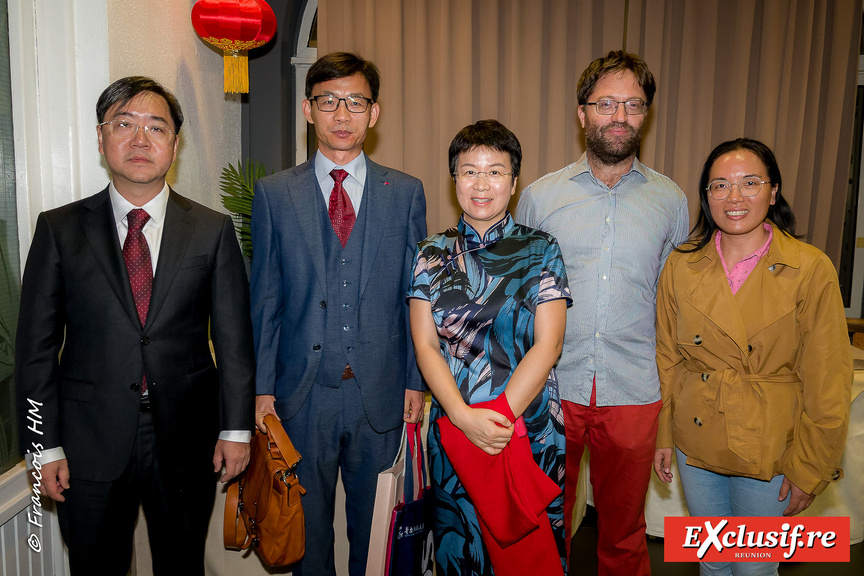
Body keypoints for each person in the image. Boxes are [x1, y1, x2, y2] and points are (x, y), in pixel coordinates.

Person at [15, 76, 255, 575]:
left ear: (175, 144)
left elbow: (234, 341)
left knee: (182, 564)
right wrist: (43, 444)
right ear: (101, 137)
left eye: (156, 127)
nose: (140, 139)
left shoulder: (211, 230)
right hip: (87, 440)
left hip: (186, 436)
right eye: (124, 124)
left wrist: (236, 429)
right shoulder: (59, 229)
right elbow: (35, 349)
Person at [251, 52, 427, 576]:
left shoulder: (406, 192)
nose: (342, 114)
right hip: (302, 395)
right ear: (309, 109)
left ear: (374, 112)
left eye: (355, 101)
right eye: (329, 101)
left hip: (382, 390)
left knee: (376, 535)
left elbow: (416, 297)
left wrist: (415, 379)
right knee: (307, 534)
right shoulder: (275, 193)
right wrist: (262, 389)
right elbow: (266, 299)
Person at [515, 50, 689, 574]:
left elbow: (674, 304)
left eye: (633, 105)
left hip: (635, 389)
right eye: (606, 103)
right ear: (582, 112)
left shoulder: (671, 201)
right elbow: (520, 299)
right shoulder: (541, 198)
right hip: (552, 388)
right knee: (544, 524)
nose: (620, 116)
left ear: (646, 115)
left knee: (625, 532)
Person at [653, 138, 851, 576]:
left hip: (772, 442)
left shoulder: (810, 268)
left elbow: (827, 380)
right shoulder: (681, 264)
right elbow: (666, 357)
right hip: (696, 437)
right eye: (720, 185)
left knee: (754, 568)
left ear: (773, 191)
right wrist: (663, 434)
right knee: (711, 562)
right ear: (706, 196)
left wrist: (811, 466)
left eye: (750, 183)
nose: (734, 197)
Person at [409, 119, 570, 575]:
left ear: (514, 182)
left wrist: (496, 420)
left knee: (529, 558)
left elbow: (549, 344)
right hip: (454, 426)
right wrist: (463, 418)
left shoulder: (542, 248)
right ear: (454, 179)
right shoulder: (431, 253)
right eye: (469, 171)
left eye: (495, 171)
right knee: (461, 553)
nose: (481, 184)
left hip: (526, 426)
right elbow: (425, 344)